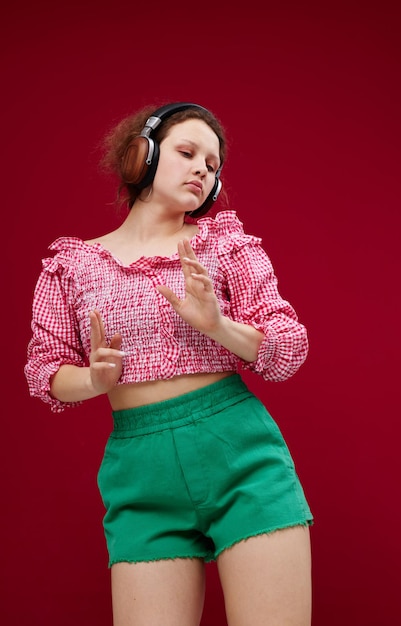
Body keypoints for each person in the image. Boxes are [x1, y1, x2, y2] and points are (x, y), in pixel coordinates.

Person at [25, 102, 313, 626]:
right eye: (188, 153)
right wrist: (93, 379)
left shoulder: (225, 245)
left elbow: (288, 348)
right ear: (142, 155)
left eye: (213, 163)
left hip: (240, 456)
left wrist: (217, 326)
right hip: (140, 472)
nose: (204, 169)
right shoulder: (72, 265)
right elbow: (44, 372)